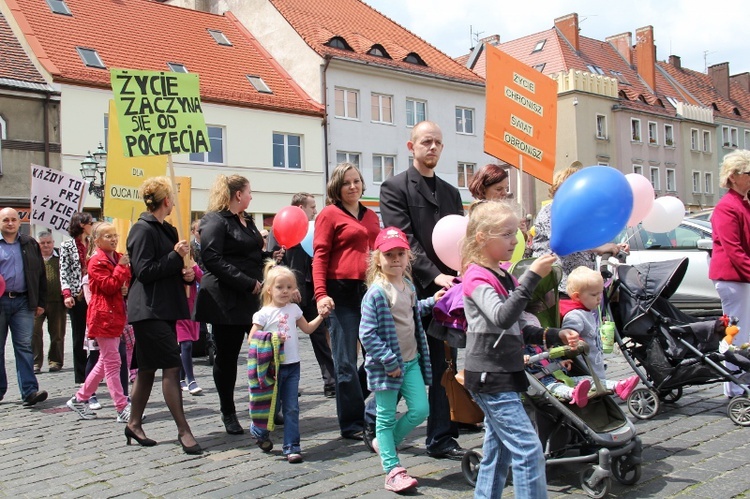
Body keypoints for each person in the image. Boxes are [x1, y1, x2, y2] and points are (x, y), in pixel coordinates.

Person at [461, 200, 579, 498]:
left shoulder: (504, 275)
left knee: (498, 452)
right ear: (482, 238)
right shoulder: (475, 276)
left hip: (507, 372)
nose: (516, 240)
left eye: (516, 233)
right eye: (507, 234)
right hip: (490, 376)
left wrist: (554, 334)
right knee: (528, 451)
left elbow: (520, 326)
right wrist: (532, 277)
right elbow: (502, 316)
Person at [379, 121, 466, 459]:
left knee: (444, 362)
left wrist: (460, 275)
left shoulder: (451, 192)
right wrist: (433, 275)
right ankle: (374, 415)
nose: (433, 147)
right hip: (410, 290)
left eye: (438, 143)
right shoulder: (394, 187)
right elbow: (403, 240)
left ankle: (442, 437)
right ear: (411, 146)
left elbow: (460, 239)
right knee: (405, 361)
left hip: (449, 293)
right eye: (426, 141)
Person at [195, 174, 282, 435]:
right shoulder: (214, 220)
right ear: (237, 195)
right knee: (228, 357)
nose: (252, 196)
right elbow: (211, 258)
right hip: (226, 299)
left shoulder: (247, 221)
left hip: (253, 296)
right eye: (249, 191)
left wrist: (270, 256)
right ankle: (228, 411)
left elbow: (250, 254)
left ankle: (267, 406)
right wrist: (246, 282)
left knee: (267, 351)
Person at [359, 227, 442, 492]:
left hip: (411, 361)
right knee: (384, 417)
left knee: (421, 409)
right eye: (389, 254)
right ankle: (392, 469)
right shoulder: (376, 293)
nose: (395, 259)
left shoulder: (407, 286)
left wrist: (431, 302)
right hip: (387, 367)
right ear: (378, 259)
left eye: (400, 254)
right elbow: (367, 333)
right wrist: (388, 360)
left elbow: (411, 312)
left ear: (408, 257)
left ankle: (385, 443)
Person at [126, 177, 201, 454]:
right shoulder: (141, 230)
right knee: (172, 366)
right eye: (172, 198)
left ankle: (134, 423)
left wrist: (186, 274)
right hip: (148, 310)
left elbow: (170, 268)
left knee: (147, 370)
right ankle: (184, 430)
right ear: (166, 200)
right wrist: (173, 256)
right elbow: (143, 272)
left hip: (164, 307)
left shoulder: (167, 229)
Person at [313, 163, 380, 440]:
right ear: (337, 188)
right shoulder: (329, 214)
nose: (353, 186)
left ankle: (354, 398)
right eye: (346, 183)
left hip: (370, 292)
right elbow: (319, 256)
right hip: (340, 294)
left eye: (357, 181)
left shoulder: (371, 216)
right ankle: (352, 422)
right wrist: (320, 294)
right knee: (345, 361)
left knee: (376, 356)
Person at [249, 262, 328, 463]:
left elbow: (308, 329)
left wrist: (321, 316)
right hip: (271, 367)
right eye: (280, 287)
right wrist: (272, 337)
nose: (285, 291)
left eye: (289, 287)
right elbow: (252, 338)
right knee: (270, 407)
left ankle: (292, 446)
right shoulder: (264, 313)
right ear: (269, 289)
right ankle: (259, 431)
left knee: (292, 407)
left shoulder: (294, 309)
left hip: (293, 365)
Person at [66, 222, 132, 422]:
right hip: (103, 317)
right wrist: (121, 270)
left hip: (115, 316)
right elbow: (109, 286)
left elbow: (122, 283)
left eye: (114, 235)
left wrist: (124, 283)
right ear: (96, 241)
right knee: (112, 362)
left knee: (105, 362)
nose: (113, 239)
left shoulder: (117, 257)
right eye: (107, 236)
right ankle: (121, 407)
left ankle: (79, 398)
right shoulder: (96, 261)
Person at [532, 166, 628, 295]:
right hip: (559, 287)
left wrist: (613, 248)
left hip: (582, 285)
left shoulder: (580, 213)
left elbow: (590, 240)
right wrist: (600, 247)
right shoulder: (551, 211)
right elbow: (567, 240)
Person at [281, 192, 335, 398]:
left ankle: (330, 382)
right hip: (290, 294)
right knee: (286, 339)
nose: (315, 210)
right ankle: (287, 384)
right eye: (312, 207)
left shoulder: (314, 230)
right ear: (300, 208)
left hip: (312, 293)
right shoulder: (287, 227)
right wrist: (291, 288)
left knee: (319, 336)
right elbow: (283, 264)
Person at [709, 150, 750, 398]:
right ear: (734, 176)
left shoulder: (742, 202)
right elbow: (733, 249)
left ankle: (740, 381)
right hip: (732, 278)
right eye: (748, 173)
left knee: (744, 331)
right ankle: (735, 385)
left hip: (740, 277)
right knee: (737, 332)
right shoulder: (727, 207)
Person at [560, 266, 639, 391]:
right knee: (596, 386)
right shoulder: (575, 314)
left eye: (600, 293)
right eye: (594, 294)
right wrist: (574, 337)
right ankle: (617, 387)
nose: (599, 298)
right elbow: (569, 331)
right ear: (577, 297)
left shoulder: (587, 311)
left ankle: (612, 388)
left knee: (599, 385)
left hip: (595, 364)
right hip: (585, 369)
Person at [0, 207, 48, 406]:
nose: (10, 223)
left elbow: (40, 274)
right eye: (6, 220)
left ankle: (29, 391)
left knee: (24, 347)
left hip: (23, 302)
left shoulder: (29, 243)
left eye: (13, 219)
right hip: (0, 300)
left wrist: (40, 302)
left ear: (19, 222)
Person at [60, 211, 94, 384]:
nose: (92, 226)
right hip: (77, 295)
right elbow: (64, 271)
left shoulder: (93, 244)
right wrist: (67, 293)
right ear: (82, 225)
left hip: (94, 294)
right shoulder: (67, 246)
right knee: (79, 335)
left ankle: (94, 368)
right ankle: (81, 375)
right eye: (90, 222)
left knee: (95, 334)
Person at [32, 231, 66, 373]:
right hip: (37, 302)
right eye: (42, 243)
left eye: (48, 242)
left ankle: (55, 361)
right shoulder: (33, 257)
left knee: (57, 333)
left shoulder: (61, 257)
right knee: (34, 333)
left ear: (53, 242)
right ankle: (35, 362)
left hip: (57, 301)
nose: (46, 245)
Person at [177, 251, 203, 396]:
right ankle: (191, 380)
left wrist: (194, 267)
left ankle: (180, 378)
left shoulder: (192, 267)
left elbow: (203, 280)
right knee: (186, 344)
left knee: (185, 346)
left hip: (191, 311)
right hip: (178, 311)